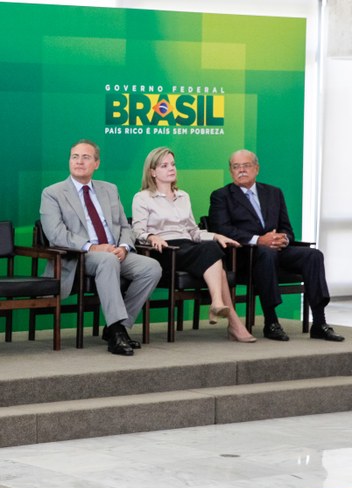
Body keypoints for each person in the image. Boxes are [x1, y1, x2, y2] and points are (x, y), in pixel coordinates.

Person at [39, 139, 162, 356]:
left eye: (85, 157)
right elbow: (56, 234)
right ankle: (116, 332)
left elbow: (125, 226)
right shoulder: (53, 193)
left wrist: (124, 247)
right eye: (74, 157)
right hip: (80, 256)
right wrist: (92, 248)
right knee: (107, 260)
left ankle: (119, 326)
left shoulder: (109, 189)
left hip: (114, 253)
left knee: (151, 267)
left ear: (96, 163)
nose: (79, 162)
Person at [208, 149, 344, 342]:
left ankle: (320, 323)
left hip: (276, 252)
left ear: (256, 168)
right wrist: (258, 239)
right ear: (230, 171)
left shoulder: (273, 193)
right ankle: (271, 322)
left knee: (314, 255)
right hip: (245, 256)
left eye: (246, 166)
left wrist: (284, 239)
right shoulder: (221, 196)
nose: (241, 171)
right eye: (236, 167)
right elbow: (222, 229)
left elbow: (287, 229)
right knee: (266, 253)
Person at [131, 147, 257, 343]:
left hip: (188, 246)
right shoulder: (143, 197)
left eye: (172, 164)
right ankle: (226, 314)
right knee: (213, 256)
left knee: (213, 250)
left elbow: (193, 232)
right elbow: (137, 231)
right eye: (164, 165)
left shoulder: (183, 196)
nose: (171, 168)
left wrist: (216, 236)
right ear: (152, 172)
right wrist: (151, 236)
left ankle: (223, 310)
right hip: (164, 250)